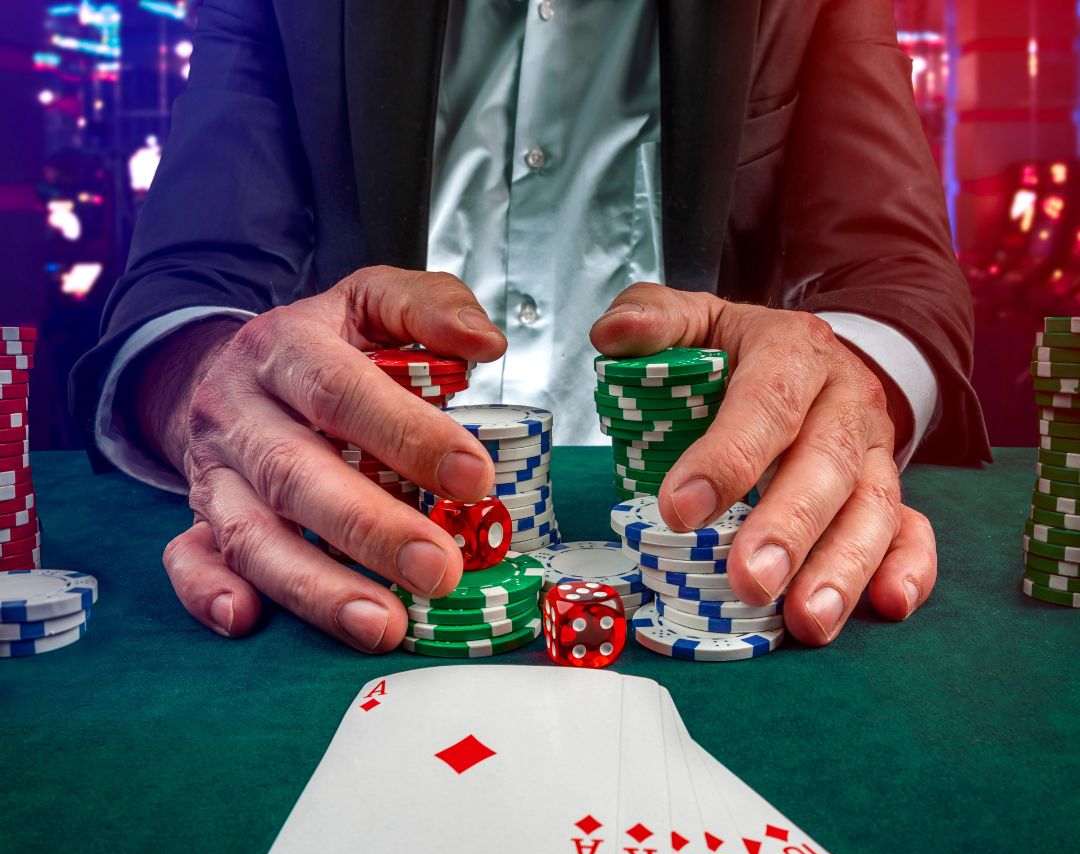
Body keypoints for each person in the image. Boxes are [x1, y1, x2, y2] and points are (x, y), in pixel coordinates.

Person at [72, 0, 989, 653]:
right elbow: (188, 280)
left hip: (694, 530)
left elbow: (891, 273)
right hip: (357, 544)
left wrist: (842, 393)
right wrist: (218, 390)